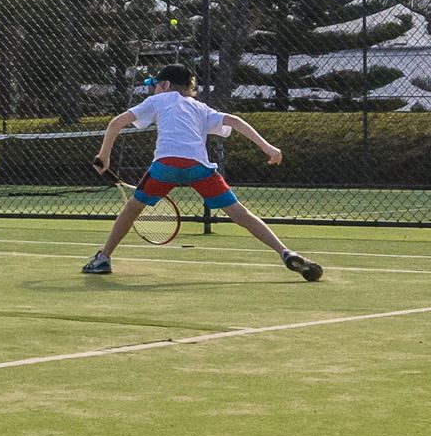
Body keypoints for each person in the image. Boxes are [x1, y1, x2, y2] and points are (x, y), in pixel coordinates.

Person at [82, 64, 324, 281]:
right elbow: (235, 120)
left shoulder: (159, 100)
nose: (152, 90)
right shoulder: (200, 108)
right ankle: (285, 252)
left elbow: (115, 123)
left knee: (133, 208)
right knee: (240, 213)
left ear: (165, 85)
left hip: (165, 166)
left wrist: (104, 156)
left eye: (154, 85)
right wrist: (268, 148)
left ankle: (103, 258)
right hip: (198, 168)